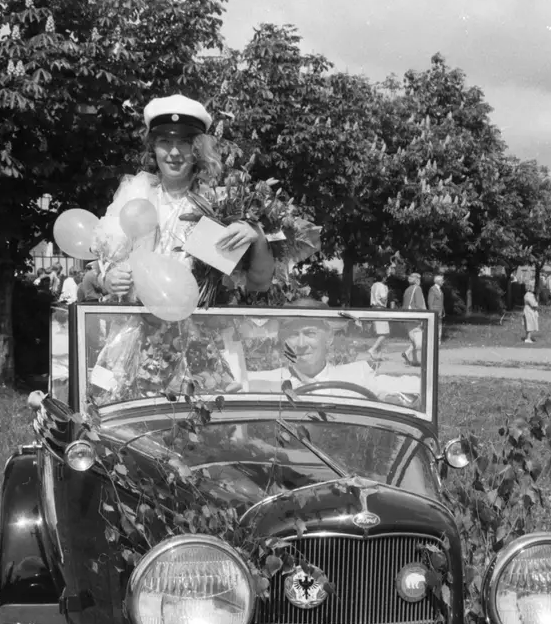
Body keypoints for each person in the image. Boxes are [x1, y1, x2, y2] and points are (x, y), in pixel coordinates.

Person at [87, 94, 274, 301]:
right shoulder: (134, 195)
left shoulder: (218, 204)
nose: (174, 152)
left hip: (199, 327)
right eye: (165, 142)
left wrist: (256, 235)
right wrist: (108, 279)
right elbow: (97, 271)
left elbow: (259, 283)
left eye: (184, 143)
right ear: (153, 148)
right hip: (137, 325)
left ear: (197, 150)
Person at [251, 300, 421, 405]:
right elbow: (234, 385)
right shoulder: (269, 379)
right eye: (294, 335)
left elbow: (420, 388)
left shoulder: (358, 376)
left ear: (329, 337)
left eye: (310, 333)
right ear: (284, 340)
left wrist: (393, 399)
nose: (301, 344)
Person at [427, 273, 445, 340]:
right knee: (435, 327)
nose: (443, 282)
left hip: (440, 312)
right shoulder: (432, 289)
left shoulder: (440, 290)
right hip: (435, 312)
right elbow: (430, 302)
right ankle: (433, 340)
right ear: (438, 281)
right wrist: (432, 312)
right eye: (442, 280)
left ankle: (438, 341)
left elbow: (441, 301)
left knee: (439, 327)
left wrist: (443, 311)